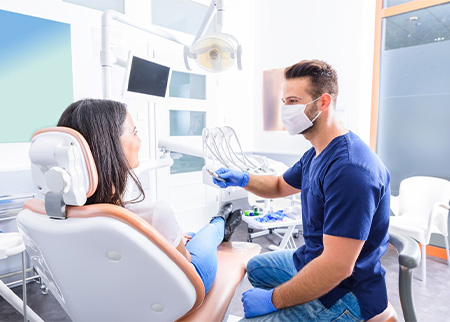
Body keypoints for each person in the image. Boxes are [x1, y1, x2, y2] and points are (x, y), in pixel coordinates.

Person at [213, 60, 390, 321]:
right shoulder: (316, 154)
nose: (285, 110)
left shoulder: (351, 170)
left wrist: (274, 300)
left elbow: (336, 267)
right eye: (284, 102)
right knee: (255, 268)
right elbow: (278, 185)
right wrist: (242, 179)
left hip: (346, 292)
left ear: (323, 103)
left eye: (294, 101)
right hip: (313, 258)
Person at [57, 98, 243, 294]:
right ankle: (220, 222)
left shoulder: (60, 214)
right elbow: (186, 265)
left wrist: (174, 237)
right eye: (135, 132)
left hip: (111, 298)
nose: (139, 140)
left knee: (190, 235)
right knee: (207, 236)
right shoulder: (153, 214)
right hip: (178, 295)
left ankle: (213, 228)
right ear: (110, 145)